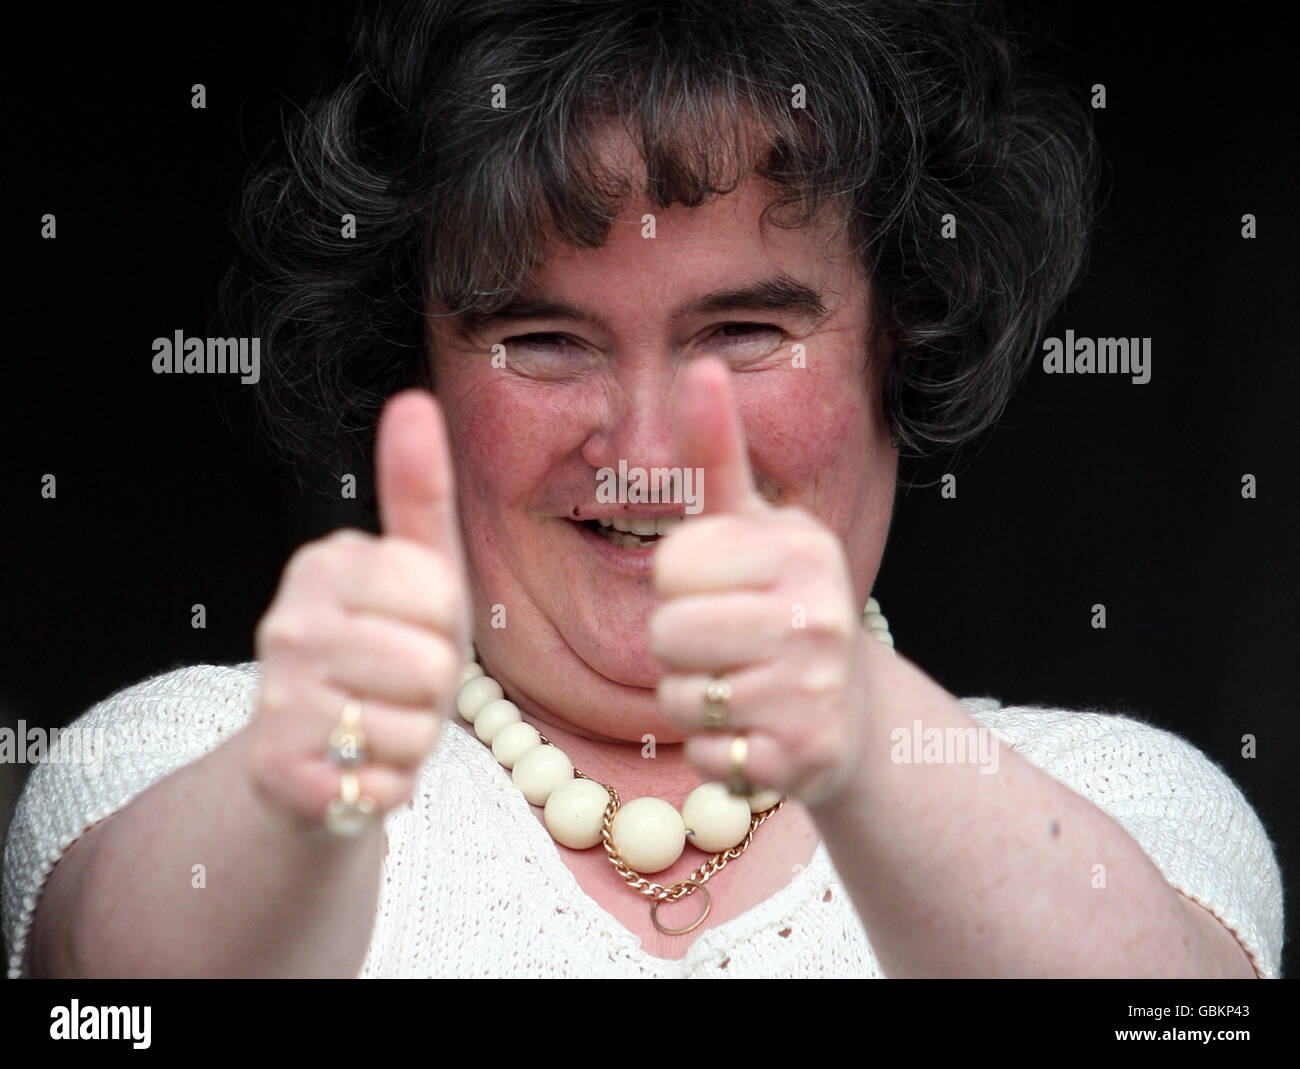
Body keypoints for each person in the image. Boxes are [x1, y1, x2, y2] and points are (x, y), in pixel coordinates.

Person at [2, 0, 1283, 978]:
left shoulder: (1118, 798)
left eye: (742, 332)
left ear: (907, 335)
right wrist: (302, 793)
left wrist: (854, 725)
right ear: (418, 375)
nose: (647, 447)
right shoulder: (186, 753)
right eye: (544, 341)